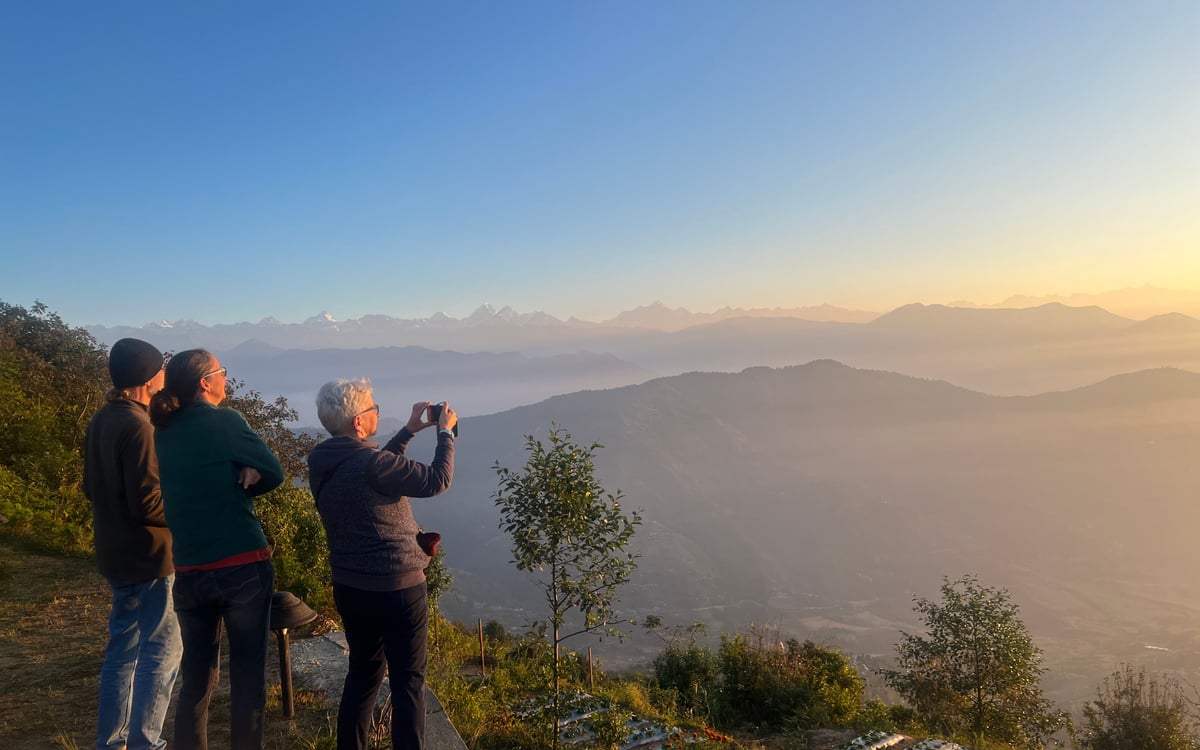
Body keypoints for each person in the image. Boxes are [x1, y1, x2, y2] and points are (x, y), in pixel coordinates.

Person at [307, 379, 456, 750]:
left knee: (362, 676)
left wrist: (407, 431)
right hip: (397, 590)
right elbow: (438, 481)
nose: (376, 412)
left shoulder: (321, 461)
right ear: (359, 422)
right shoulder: (372, 464)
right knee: (408, 681)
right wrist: (445, 434)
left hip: (350, 587)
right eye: (372, 409)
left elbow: (373, 469)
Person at [149, 349, 284, 750]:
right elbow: (274, 472)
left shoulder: (164, 429)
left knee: (197, 677)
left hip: (190, 570)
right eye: (222, 372)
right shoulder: (225, 420)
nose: (226, 378)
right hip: (242, 565)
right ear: (205, 382)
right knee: (247, 678)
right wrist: (249, 472)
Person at [84, 337, 182, 750]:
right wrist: (188, 506)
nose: (164, 376)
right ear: (148, 378)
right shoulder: (139, 426)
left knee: (122, 649)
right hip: (150, 557)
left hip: (115, 552)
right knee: (162, 649)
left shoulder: (103, 418)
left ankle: (111, 741)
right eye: (160, 370)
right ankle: (147, 740)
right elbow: (149, 504)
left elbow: (91, 488)